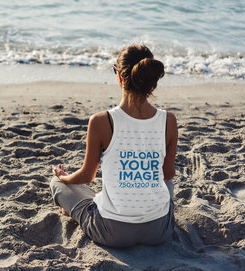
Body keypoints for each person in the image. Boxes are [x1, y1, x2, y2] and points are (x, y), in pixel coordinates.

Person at [50, 44, 177, 248]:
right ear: (152, 82)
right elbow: (167, 174)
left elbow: (86, 177)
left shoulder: (102, 121)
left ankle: (74, 209)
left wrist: (63, 177)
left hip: (112, 233)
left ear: (119, 76)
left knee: (57, 185)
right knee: (166, 185)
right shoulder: (168, 120)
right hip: (158, 231)